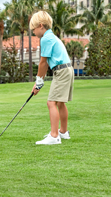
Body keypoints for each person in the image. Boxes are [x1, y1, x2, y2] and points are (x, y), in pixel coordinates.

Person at [30, 11, 74, 145]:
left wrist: (38, 82)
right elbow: (46, 64)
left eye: (34, 29)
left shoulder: (46, 39)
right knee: (60, 102)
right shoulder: (51, 37)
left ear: (41, 26)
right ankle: (63, 132)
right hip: (66, 69)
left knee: (51, 103)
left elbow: (43, 63)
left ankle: (54, 136)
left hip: (61, 70)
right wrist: (39, 82)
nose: (33, 32)